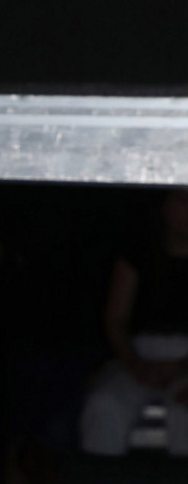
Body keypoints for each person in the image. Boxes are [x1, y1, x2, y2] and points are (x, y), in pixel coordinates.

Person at [78, 186, 188, 457]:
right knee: (104, 405)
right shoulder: (138, 253)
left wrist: (182, 366)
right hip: (138, 356)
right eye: (182, 200)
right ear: (164, 206)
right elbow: (116, 320)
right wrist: (137, 365)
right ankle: (103, 473)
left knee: (184, 414)